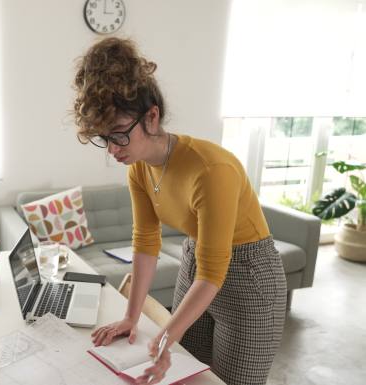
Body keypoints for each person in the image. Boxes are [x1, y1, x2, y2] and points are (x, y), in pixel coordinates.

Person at [73, 38, 286, 385]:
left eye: (119, 135)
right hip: (197, 259)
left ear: (152, 117)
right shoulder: (138, 167)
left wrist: (163, 338)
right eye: (103, 138)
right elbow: (145, 241)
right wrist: (132, 317)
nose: (112, 149)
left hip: (249, 276)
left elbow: (215, 271)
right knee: (190, 375)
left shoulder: (210, 169)